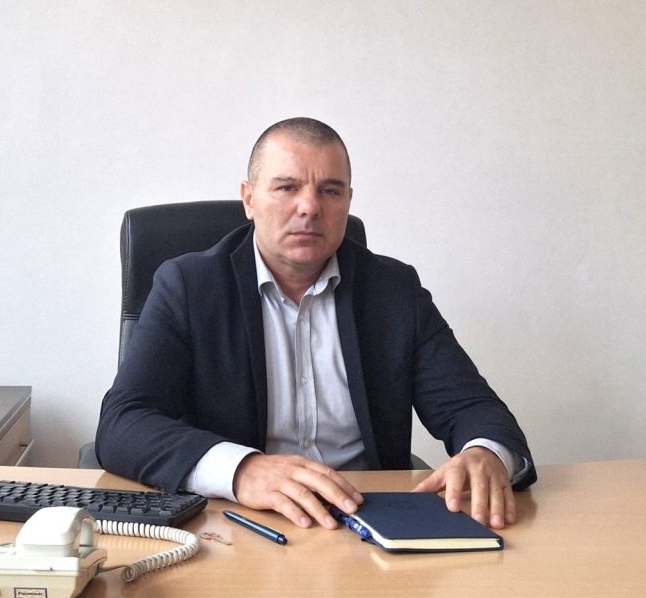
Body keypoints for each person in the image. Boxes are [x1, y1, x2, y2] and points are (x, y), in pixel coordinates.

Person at [96, 117, 536, 532]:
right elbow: (123, 423)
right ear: (249, 199)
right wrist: (242, 470)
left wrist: (485, 453)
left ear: (348, 201)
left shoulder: (394, 291)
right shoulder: (189, 286)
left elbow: (473, 408)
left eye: (330, 190)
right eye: (286, 187)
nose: (309, 207)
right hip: (238, 524)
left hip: (367, 522)